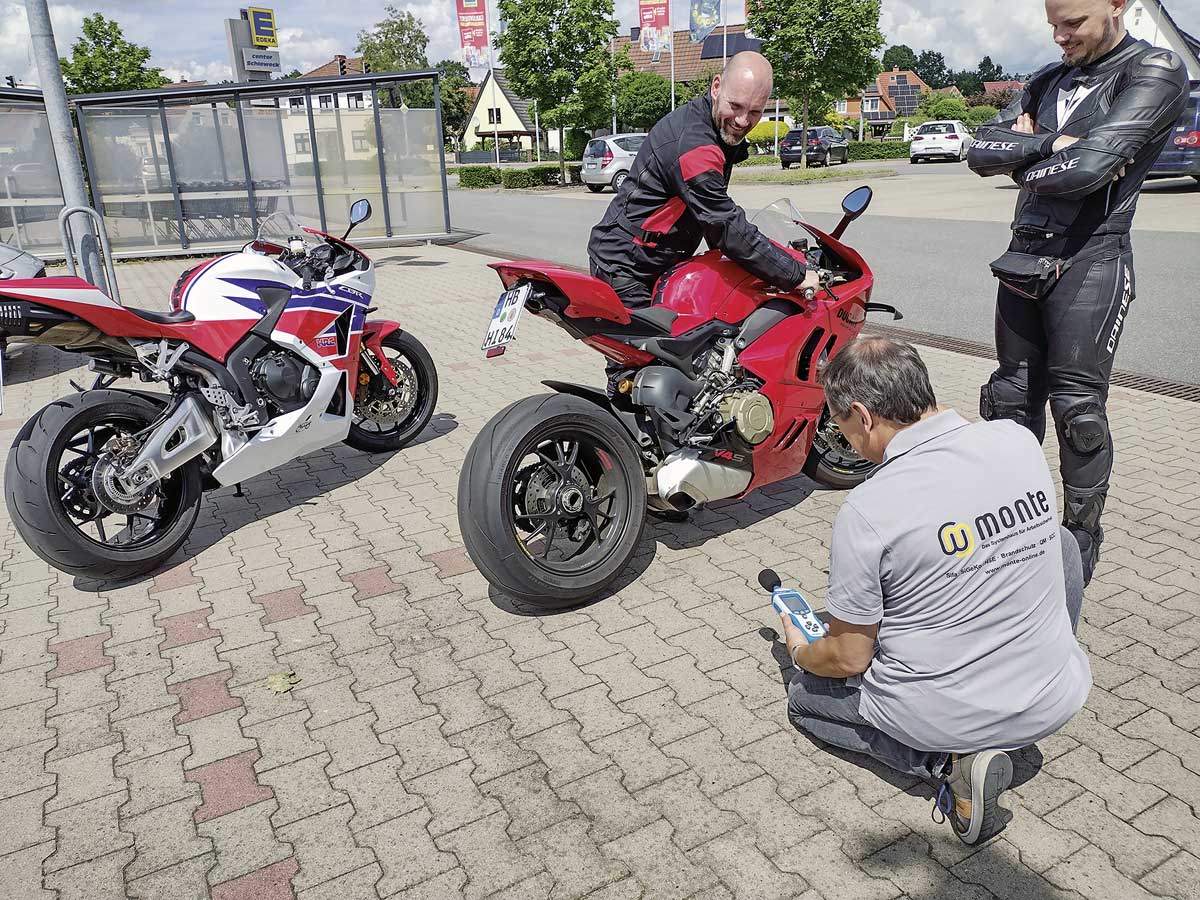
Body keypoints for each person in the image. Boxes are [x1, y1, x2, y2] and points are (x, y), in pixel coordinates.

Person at [778, 337, 1092, 845]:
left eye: (839, 426)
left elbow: (849, 658)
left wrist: (802, 652)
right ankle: (1035, 667)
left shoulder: (868, 509)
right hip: (1054, 698)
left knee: (804, 699)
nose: (845, 442)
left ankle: (947, 764)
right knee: (1060, 544)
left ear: (863, 417)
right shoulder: (1016, 440)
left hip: (949, 715)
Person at [966, 0, 1188, 585]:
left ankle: (1079, 542)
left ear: (1117, 6)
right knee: (1010, 400)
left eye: (1073, 24)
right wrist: (1049, 148)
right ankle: (1014, 530)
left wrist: (1026, 155)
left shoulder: (1154, 70)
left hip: (1092, 258)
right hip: (1023, 255)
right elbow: (978, 150)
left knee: (1077, 411)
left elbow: (1086, 172)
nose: (1060, 37)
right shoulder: (1047, 79)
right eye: (1053, 25)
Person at [587, 51, 819, 309]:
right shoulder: (695, 147)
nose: (743, 120)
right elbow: (724, 224)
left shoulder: (712, 124)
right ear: (716, 87)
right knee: (666, 335)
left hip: (658, 261)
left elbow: (713, 220)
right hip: (627, 268)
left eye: (755, 111)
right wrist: (794, 274)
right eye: (736, 106)